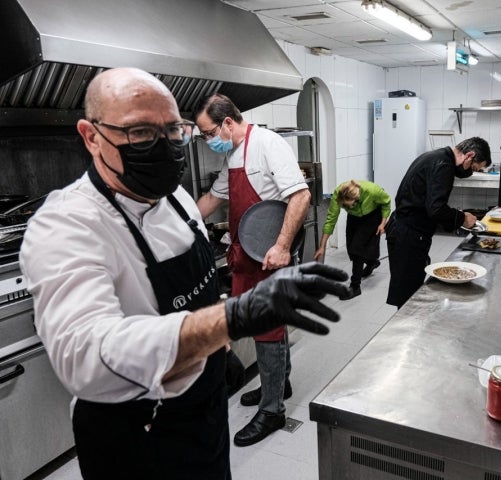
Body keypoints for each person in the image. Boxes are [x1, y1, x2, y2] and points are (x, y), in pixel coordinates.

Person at [18, 67, 350, 480]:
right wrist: (230, 319)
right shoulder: (66, 225)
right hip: (138, 434)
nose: (164, 145)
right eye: (140, 133)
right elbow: (85, 360)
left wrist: (220, 349)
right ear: (90, 136)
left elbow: (200, 294)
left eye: (174, 131)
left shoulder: (175, 198)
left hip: (204, 416)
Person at [193, 94, 311, 447]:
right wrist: (173, 219)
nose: (207, 140)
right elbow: (213, 200)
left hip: (270, 254)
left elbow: (300, 196)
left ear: (227, 122)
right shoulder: (233, 155)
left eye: (208, 132)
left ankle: (273, 409)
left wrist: (282, 247)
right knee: (270, 322)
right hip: (247, 254)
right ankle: (280, 382)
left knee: (267, 327)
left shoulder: (268, 144)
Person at [386, 137, 491, 308]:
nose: (470, 173)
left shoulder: (436, 156)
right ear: (469, 155)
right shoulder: (444, 165)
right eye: (472, 168)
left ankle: (409, 324)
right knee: (408, 293)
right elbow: (436, 209)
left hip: (405, 228)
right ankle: (404, 329)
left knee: (410, 285)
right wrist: (462, 218)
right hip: (408, 233)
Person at [313, 179, 391, 300]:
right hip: (354, 217)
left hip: (372, 215)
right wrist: (322, 246)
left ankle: (355, 286)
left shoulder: (372, 191)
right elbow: (331, 220)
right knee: (351, 248)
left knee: (357, 248)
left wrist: (383, 223)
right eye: (344, 205)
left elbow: (386, 202)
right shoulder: (338, 194)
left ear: (356, 198)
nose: (345, 206)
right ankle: (372, 263)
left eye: (347, 204)